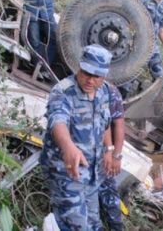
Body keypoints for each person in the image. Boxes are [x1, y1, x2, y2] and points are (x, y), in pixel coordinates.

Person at [40, 44, 114, 230]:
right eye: (86, 72)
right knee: (76, 226)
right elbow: (57, 122)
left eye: (96, 76)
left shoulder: (104, 91)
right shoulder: (63, 91)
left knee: (93, 224)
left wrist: (109, 149)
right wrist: (68, 147)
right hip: (66, 172)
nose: (89, 80)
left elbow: (105, 123)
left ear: (104, 76)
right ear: (79, 67)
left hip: (91, 173)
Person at [98, 83, 125, 231]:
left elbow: (117, 124)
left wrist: (115, 155)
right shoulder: (71, 88)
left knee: (109, 192)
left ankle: (116, 227)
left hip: (102, 155)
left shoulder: (110, 91)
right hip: (81, 153)